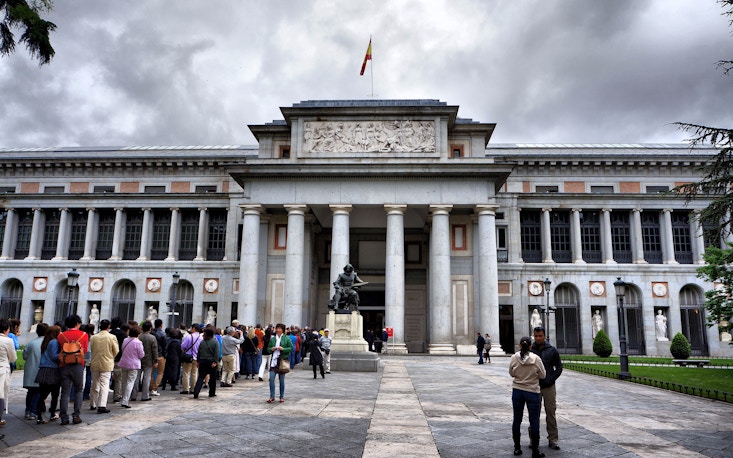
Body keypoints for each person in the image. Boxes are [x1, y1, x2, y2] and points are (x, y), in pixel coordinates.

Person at [509, 336, 546, 458]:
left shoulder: (514, 357)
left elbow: (511, 373)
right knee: (534, 420)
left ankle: (517, 448)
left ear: (519, 345)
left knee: (517, 420)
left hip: (518, 390)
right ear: (530, 346)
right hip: (532, 391)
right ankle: (535, 451)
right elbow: (543, 375)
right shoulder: (536, 359)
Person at [531, 326, 563, 452]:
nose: (538, 338)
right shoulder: (530, 350)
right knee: (534, 414)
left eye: (540, 336)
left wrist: (551, 379)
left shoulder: (552, 350)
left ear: (544, 336)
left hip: (549, 386)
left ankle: (553, 439)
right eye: (536, 336)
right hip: (534, 385)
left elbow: (559, 367)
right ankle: (534, 439)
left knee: (551, 412)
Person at [58, 314, 89, 425]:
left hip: (64, 364)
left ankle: (64, 417)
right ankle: (76, 415)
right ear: (77, 323)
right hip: (78, 364)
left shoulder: (61, 336)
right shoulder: (84, 335)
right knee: (78, 389)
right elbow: (84, 350)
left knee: (65, 392)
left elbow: (60, 349)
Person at [88, 319, 118, 414]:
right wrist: (110, 356)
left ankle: (93, 403)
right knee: (104, 384)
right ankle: (101, 405)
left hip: (95, 361)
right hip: (107, 362)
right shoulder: (112, 337)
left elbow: (91, 349)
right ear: (108, 326)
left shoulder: (93, 337)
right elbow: (116, 350)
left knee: (95, 383)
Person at [35, 325, 61, 424]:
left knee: (42, 395)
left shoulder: (45, 341)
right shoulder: (54, 342)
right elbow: (54, 356)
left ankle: (39, 416)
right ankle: (53, 414)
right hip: (52, 369)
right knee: (54, 394)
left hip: (43, 369)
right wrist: (64, 354)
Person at [22, 322, 47, 421]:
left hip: (30, 371)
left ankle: (28, 410)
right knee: (38, 392)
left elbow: (24, 356)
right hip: (40, 371)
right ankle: (33, 411)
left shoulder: (30, 343)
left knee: (30, 392)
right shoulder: (46, 343)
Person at [117, 325, 145, 409]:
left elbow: (122, 349)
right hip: (133, 364)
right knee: (130, 382)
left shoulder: (125, 340)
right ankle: (125, 401)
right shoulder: (138, 342)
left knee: (124, 381)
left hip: (124, 362)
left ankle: (123, 398)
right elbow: (141, 354)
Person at [131, 321, 158, 402]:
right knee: (146, 378)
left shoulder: (138, 337)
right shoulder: (152, 338)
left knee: (136, 377)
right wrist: (155, 360)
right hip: (148, 360)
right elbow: (154, 350)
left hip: (138, 359)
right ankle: (145, 395)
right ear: (150, 328)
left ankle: (134, 395)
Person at [266, 323, 293, 403]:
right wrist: (272, 349)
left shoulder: (286, 338)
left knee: (281, 380)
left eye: (280, 328)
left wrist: (283, 349)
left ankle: (281, 396)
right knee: (271, 378)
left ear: (283, 330)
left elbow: (291, 348)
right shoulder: (273, 339)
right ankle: (272, 396)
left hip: (282, 361)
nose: (278, 330)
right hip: (274, 361)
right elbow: (268, 349)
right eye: (277, 328)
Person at [193, 327, 220, 399]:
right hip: (211, 361)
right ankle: (212, 392)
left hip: (202, 361)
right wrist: (215, 361)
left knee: (200, 377)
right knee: (212, 378)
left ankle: (196, 392)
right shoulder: (215, 342)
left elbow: (199, 352)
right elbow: (217, 353)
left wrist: (198, 361)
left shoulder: (202, 342)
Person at [0, 319, 18, 427]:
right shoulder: (8, 341)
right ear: (6, 330)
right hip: (2, 368)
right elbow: (13, 358)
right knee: (1, 394)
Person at [180, 324, 202, 394]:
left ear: (194, 328)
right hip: (197, 357)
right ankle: (193, 389)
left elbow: (183, 346)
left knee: (186, 373)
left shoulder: (189, 337)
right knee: (194, 373)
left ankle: (185, 389)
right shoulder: (201, 337)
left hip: (188, 357)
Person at [150, 318, 166, 396]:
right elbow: (165, 346)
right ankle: (155, 388)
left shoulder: (151, 333)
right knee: (160, 373)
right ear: (161, 325)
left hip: (151, 355)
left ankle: (150, 388)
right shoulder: (162, 334)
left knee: (151, 373)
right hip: (160, 355)